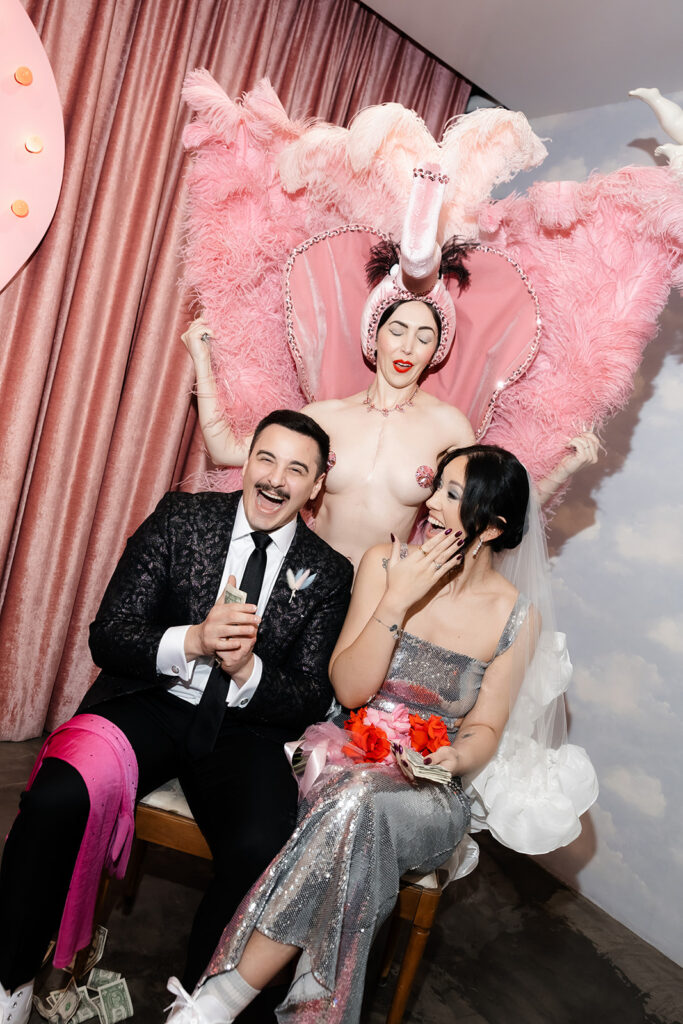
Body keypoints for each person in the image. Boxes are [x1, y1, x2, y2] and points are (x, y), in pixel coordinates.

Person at [164, 444, 597, 1023]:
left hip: (432, 791)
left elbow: (488, 723)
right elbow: (348, 690)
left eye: (451, 493)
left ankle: (221, 996)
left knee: (360, 808)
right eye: (437, 485)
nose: (432, 502)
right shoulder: (383, 563)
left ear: (490, 528)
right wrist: (396, 598)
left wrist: (456, 756)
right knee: (357, 809)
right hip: (344, 755)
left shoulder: (516, 617)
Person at [0, 410, 353, 1024]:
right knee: (57, 798)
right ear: (247, 461)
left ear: (317, 485)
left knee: (262, 848)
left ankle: (198, 1006)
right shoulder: (182, 518)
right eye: (266, 459)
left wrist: (247, 672)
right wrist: (193, 640)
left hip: (246, 733)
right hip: (150, 701)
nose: (275, 479)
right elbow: (109, 636)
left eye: (297, 469)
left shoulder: (328, 574)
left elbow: (306, 696)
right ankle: (10, 977)